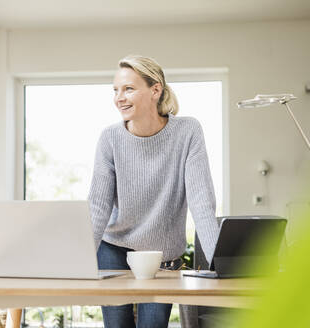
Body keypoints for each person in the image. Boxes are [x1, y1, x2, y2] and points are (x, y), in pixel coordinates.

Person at [88, 55, 220, 328]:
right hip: (115, 249)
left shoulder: (188, 131)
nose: (119, 98)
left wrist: (219, 264)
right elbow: (98, 208)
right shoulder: (110, 138)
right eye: (116, 90)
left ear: (155, 90)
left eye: (128, 89)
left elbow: (201, 202)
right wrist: (77, 262)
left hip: (162, 255)